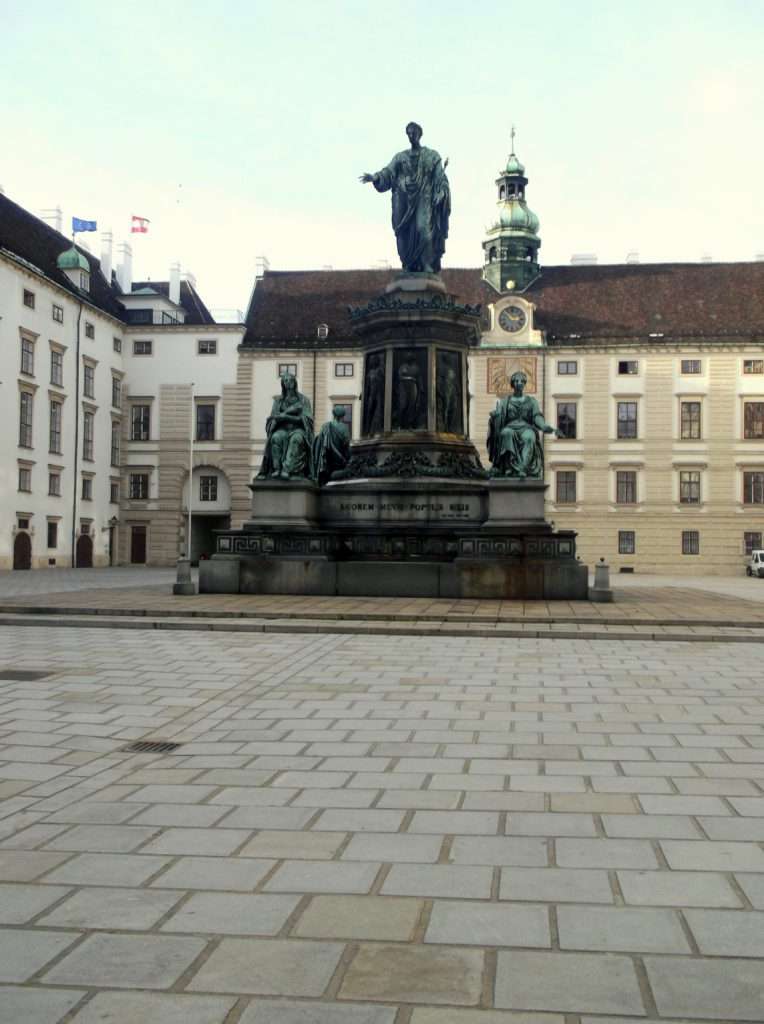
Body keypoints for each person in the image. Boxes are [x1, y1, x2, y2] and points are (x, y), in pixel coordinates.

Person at [360, 122, 450, 274]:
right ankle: (407, 264)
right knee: (403, 233)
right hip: (404, 201)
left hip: (424, 199)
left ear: (420, 134)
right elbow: (388, 172)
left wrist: (441, 192)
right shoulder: (400, 157)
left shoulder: (432, 156)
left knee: (424, 230)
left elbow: (441, 178)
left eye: (413, 132)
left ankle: (426, 263)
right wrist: (375, 177)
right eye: (408, 133)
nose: (411, 136)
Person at [487, 371, 561, 478]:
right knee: (506, 433)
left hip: (526, 428)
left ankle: (522, 468)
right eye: (516, 381)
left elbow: (536, 416)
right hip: (510, 427)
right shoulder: (505, 401)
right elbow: (500, 416)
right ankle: (509, 468)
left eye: (522, 381)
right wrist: (495, 417)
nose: (519, 383)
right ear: (513, 384)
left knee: (529, 437)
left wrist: (543, 426)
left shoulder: (531, 401)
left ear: (525, 383)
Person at [256, 373, 314, 480]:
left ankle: (288, 470)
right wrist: (276, 420)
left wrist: (286, 417)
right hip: (281, 429)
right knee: (276, 437)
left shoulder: (304, 400)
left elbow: (307, 420)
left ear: (294, 382)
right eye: (285, 380)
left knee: (296, 439)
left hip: (298, 429)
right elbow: (272, 418)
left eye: (290, 380)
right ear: (282, 384)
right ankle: (277, 469)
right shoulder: (278, 401)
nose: (288, 382)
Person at [313, 405, 351, 485]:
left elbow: (321, 444)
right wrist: (347, 459)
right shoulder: (344, 428)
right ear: (343, 416)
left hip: (326, 461)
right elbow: (346, 445)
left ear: (333, 414)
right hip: (339, 463)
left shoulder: (325, 426)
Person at [363, 353, 385, 435]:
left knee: (379, 411)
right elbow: (367, 385)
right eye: (371, 360)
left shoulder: (380, 370)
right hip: (372, 395)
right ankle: (368, 430)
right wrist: (365, 393)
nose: (372, 362)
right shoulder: (370, 372)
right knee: (369, 412)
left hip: (379, 394)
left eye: (373, 360)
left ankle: (377, 429)